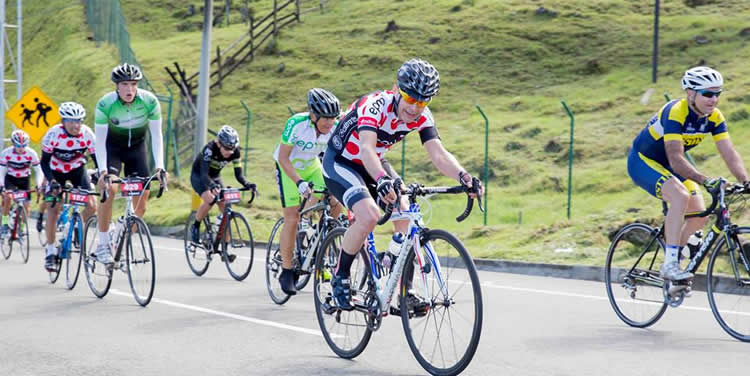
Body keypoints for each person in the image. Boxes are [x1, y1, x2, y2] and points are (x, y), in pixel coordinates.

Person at [321, 58, 483, 310]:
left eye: (422, 101)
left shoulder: (422, 116)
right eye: (410, 98)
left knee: (407, 218)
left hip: (374, 162)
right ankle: (340, 276)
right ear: (398, 90)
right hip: (342, 162)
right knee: (369, 215)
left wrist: (464, 176)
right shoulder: (375, 105)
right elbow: (366, 149)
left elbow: (439, 154)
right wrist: (383, 180)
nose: (415, 107)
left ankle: (403, 291)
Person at [628, 66, 749, 281]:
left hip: (672, 167)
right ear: (690, 93)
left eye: (717, 94)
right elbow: (675, 157)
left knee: (699, 214)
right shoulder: (676, 112)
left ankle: (673, 261)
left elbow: (729, 153)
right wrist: (705, 180)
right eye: (708, 94)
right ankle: (670, 264)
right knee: (680, 196)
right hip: (644, 161)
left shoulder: (714, 118)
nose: (714, 99)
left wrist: (745, 181)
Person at [94, 63, 167, 265]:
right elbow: (99, 141)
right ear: (116, 86)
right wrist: (103, 171)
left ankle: (120, 235)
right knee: (111, 189)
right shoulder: (105, 104)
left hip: (137, 150)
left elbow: (156, 135)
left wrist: (160, 166)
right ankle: (102, 244)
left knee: (141, 204)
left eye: (133, 84)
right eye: (124, 84)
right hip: (112, 150)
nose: (129, 89)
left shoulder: (150, 102)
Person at [272, 88, 343, 296]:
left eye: (332, 119)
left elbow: (335, 159)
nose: (329, 124)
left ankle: (321, 244)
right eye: (325, 119)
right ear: (313, 115)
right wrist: (299, 182)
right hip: (289, 168)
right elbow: (283, 158)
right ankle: (286, 270)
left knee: (336, 202)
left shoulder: (335, 128)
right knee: (292, 218)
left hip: (312, 167)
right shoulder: (296, 123)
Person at [39, 102, 98, 271]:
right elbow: (44, 162)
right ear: (63, 122)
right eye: (71, 121)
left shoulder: (87, 134)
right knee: (53, 207)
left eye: (78, 121)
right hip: (55, 172)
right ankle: (50, 252)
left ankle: (77, 227)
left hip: (77, 170)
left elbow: (96, 157)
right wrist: (51, 181)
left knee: (92, 206)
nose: (76, 125)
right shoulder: (53, 135)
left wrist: (100, 171)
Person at [189, 125, 256, 260]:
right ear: (219, 143)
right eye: (226, 148)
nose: (229, 152)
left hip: (215, 177)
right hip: (200, 176)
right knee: (210, 199)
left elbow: (239, 175)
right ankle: (195, 226)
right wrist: (212, 186)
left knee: (226, 209)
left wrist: (247, 184)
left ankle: (224, 249)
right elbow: (203, 174)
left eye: (232, 149)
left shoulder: (235, 153)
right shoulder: (209, 149)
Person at [0, 130, 42, 239]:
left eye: (24, 145)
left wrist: (38, 184)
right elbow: (2, 171)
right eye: (18, 145)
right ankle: (4, 223)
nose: (21, 148)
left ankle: (21, 227)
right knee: (8, 198)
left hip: (24, 179)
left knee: (27, 206)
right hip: (10, 179)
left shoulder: (31, 153)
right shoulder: (6, 153)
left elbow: (38, 171)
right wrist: (2, 186)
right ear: (13, 144)